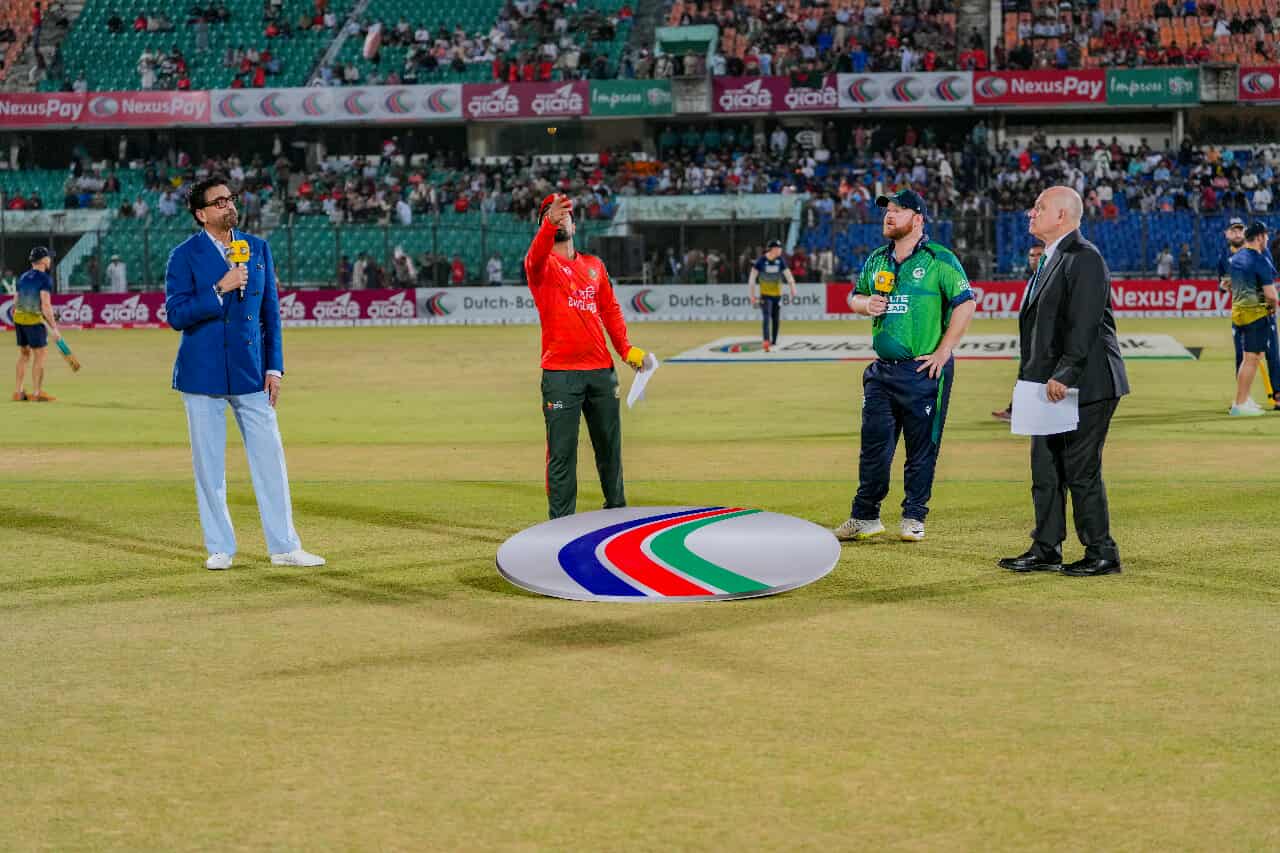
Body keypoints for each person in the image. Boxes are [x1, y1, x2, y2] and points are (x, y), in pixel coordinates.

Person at [164, 175, 324, 571]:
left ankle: (285, 546)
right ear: (201, 214)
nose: (228, 205)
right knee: (210, 467)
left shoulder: (257, 249)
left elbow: (271, 313)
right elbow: (177, 315)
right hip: (202, 376)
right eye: (218, 202)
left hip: (252, 373)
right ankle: (220, 547)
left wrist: (275, 367)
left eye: (230, 199)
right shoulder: (182, 256)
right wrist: (219, 288)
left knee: (271, 459)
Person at [999, 187, 1130, 578]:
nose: (1030, 213)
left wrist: (1066, 373)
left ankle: (1102, 552)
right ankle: (1046, 547)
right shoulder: (1051, 258)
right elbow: (1042, 332)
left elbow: (1086, 322)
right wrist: (1026, 383)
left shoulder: (1084, 256)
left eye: (1039, 208)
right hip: (1047, 385)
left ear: (1062, 216)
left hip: (1086, 383)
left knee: (1080, 469)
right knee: (1045, 469)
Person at [833, 190, 976, 543]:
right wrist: (866, 304)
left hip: (923, 370)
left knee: (921, 449)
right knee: (874, 447)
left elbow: (965, 304)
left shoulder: (939, 259)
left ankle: (913, 516)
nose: (889, 216)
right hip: (882, 372)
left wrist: (943, 352)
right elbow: (853, 297)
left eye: (898, 211)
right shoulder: (877, 259)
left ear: (919, 219)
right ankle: (865, 516)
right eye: (887, 211)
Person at [525, 193, 647, 519]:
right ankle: (560, 529)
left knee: (610, 451)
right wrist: (550, 220)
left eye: (566, 214)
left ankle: (616, 516)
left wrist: (627, 351)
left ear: (575, 224)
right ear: (544, 225)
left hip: (601, 372)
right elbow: (535, 254)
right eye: (552, 216)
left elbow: (610, 311)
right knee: (562, 455)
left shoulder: (595, 266)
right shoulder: (540, 267)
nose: (561, 217)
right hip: (560, 374)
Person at [1219, 217, 1279, 409]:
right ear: (1260, 237)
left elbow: (1231, 284)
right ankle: (1241, 402)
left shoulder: (1235, 258)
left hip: (1239, 315)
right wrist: (1272, 307)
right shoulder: (1260, 258)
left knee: (1247, 358)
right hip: (1257, 314)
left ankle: (1242, 399)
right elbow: (1271, 295)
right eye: (1266, 236)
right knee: (1253, 358)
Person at [994, 240, 1044, 422]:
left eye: (1039, 255)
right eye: (1032, 255)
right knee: (1028, 373)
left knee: (1030, 374)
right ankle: (1017, 410)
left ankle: (1016, 411)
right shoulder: (1034, 278)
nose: (1035, 259)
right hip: (1030, 336)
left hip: (1040, 337)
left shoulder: (1048, 278)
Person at [12, 246, 62, 402]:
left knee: (24, 355)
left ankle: (18, 392)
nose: (50, 260)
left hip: (19, 318)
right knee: (40, 355)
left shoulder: (24, 276)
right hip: (33, 321)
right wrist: (54, 328)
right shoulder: (44, 278)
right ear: (43, 260)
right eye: (49, 257)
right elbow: (46, 305)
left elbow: (16, 300)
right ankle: (37, 392)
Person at [747, 239, 798, 352]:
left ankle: (774, 341)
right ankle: (766, 340)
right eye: (779, 248)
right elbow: (752, 279)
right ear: (773, 249)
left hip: (777, 296)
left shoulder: (780, 261)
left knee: (776, 319)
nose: (781, 250)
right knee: (766, 316)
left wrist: (793, 289)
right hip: (765, 295)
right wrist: (752, 296)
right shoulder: (761, 261)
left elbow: (789, 276)